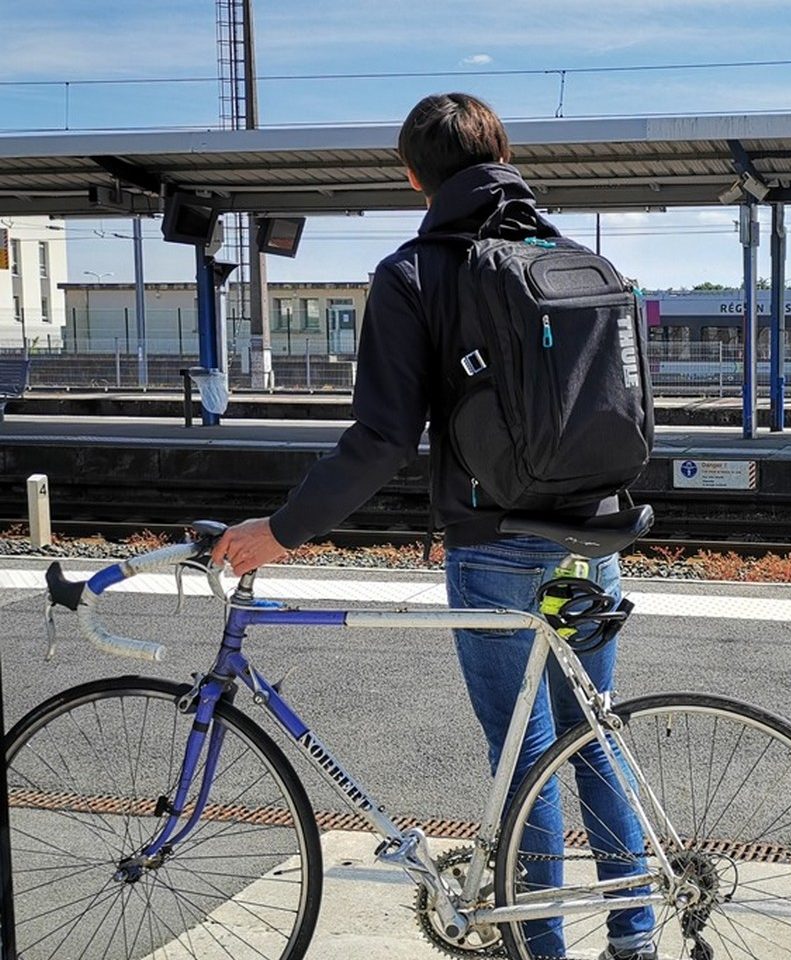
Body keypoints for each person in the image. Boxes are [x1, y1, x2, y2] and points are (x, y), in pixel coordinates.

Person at [211, 92, 656, 960]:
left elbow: (380, 442)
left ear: (415, 176)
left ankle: (541, 949)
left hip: (498, 545)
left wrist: (283, 531)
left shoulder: (413, 273)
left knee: (526, 760)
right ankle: (636, 935)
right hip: (596, 535)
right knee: (590, 738)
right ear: (505, 156)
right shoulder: (569, 257)